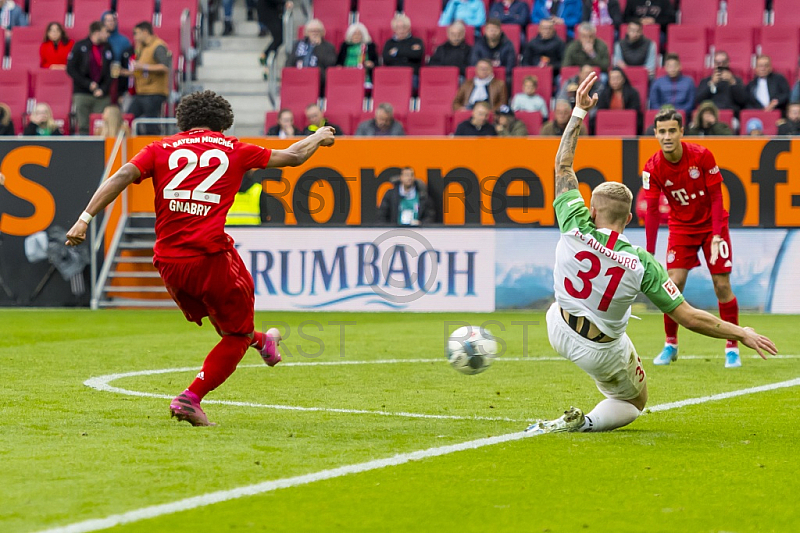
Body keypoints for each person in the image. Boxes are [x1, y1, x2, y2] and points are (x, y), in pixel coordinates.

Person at [524, 72, 776, 435]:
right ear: (629, 218)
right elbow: (690, 316)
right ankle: (587, 423)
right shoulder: (641, 263)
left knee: (580, 316)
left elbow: (562, 166)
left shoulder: (574, 223)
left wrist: (578, 112)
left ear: (591, 211)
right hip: (598, 350)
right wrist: (741, 332)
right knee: (632, 403)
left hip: (556, 328)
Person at [65, 91, 336, 426]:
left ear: (184, 120)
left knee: (230, 324)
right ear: (224, 123)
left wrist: (84, 219)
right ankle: (190, 398)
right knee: (236, 334)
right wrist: (318, 135)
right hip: (210, 257)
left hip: (168, 264)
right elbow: (294, 157)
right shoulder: (235, 149)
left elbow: (121, 177)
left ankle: (266, 342)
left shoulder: (159, 149)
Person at [643, 109, 745, 368]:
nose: (667, 136)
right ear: (655, 134)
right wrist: (649, 251)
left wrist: (717, 235)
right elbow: (653, 210)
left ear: (681, 132)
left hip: (713, 223)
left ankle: (732, 347)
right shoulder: (652, 167)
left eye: (671, 131)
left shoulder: (701, 155)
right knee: (672, 284)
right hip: (681, 227)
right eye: (662, 131)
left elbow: (717, 197)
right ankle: (670, 344)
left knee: (722, 285)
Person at [122, 22, 172, 134]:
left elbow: (165, 66)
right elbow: (142, 71)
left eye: (136, 33)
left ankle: (154, 148)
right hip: (141, 92)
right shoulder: (142, 48)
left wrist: (143, 66)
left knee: (150, 124)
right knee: (129, 118)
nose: (135, 37)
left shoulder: (158, 46)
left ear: (145, 32)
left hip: (154, 92)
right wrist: (126, 73)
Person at [67, 21, 113, 136]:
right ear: (97, 33)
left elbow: (111, 72)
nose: (108, 34)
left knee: (100, 125)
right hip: (82, 93)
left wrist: (103, 88)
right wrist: (88, 84)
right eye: (105, 32)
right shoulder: (80, 46)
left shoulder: (107, 48)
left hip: (102, 94)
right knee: (83, 125)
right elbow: (71, 69)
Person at [287, 19, 337, 89]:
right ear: (306, 33)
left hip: (319, 79)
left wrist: (318, 47)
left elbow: (330, 64)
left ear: (322, 33)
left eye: (317, 31)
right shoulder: (298, 44)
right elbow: (290, 61)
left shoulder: (328, 46)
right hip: (298, 75)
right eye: (311, 31)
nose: (314, 33)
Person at [696, 52, 749, 116]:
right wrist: (712, 83)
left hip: (731, 114)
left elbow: (742, 101)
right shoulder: (706, 81)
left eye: (723, 62)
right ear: (714, 64)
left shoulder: (736, 80)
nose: (720, 65)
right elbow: (699, 100)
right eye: (717, 63)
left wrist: (732, 82)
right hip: (710, 115)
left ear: (728, 63)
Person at [595, 67, 642, 132]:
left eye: (617, 78)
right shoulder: (604, 93)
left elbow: (635, 112)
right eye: (612, 79)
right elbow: (601, 112)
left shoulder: (633, 93)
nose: (615, 81)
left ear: (623, 79)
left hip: (626, 126)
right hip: (609, 125)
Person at [257, 1, 293, 80]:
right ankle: (266, 56)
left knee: (280, 38)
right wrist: (284, 2)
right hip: (268, 11)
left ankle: (266, 56)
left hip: (272, 11)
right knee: (279, 37)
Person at [336, 23, 378, 88]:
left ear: (363, 35)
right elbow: (339, 62)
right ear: (350, 35)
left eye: (359, 34)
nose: (356, 36)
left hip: (365, 77)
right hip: (347, 75)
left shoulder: (370, 46)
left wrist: (371, 64)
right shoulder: (344, 46)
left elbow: (376, 62)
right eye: (354, 34)